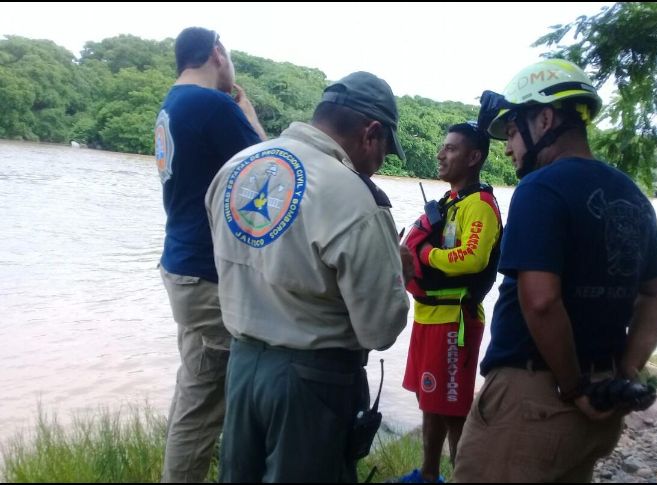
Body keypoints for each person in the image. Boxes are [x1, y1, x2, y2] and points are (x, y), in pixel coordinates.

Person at [453, 59, 657, 483]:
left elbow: (539, 300)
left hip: (535, 397)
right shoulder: (630, 193)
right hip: (600, 397)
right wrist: (627, 370)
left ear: (546, 118)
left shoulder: (541, 188)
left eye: (513, 131)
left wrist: (574, 388)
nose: (507, 147)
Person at [205, 71, 412, 483]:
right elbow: (380, 329)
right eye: (384, 151)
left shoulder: (234, 170)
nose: (377, 165)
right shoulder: (354, 197)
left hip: (242, 366)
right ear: (372, 133)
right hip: (313, 382)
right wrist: (396, 273)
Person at [153, 26, 268, 483]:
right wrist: (250, 115)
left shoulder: (171, 105)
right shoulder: (210, 105)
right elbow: (275, 171)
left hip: (182, 266)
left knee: (195, 398)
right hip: (207, 276)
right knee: (237, 385)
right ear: (218, 53)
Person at [398, 122, 502, 483]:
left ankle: (463, 477)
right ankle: (428, 475)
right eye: (442, 147)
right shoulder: (449, 203)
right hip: (428, 316)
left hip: (455, 321)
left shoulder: (481, 205)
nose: (441, 155)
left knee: (453, 410)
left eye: (451, 149)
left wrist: (424, 255)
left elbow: (472, 258)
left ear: (474, 158)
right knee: (430, 400)